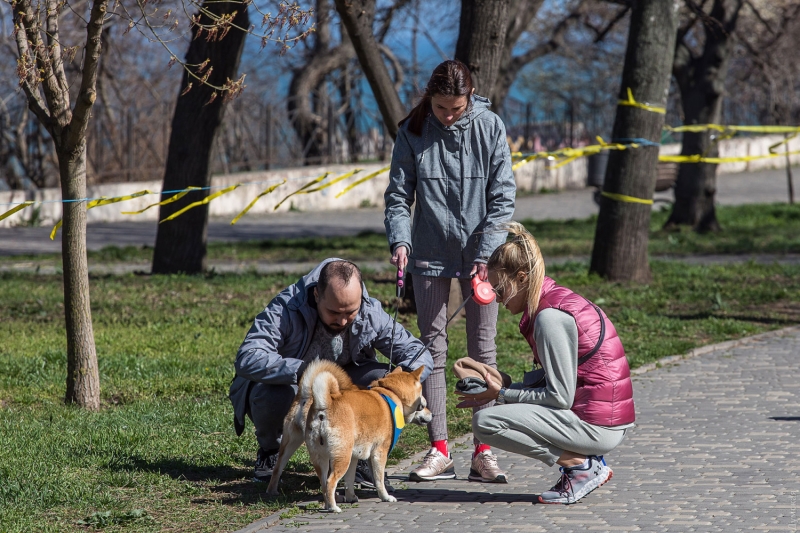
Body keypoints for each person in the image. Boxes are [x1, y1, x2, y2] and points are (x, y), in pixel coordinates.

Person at [384, 59, 516, 483]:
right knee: (431, 351)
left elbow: (503, 196)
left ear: (469, 97)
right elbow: (398, 195)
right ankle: (439, 449)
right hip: (427, 255)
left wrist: (488, 248)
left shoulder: (491, 126)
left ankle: (484, 451)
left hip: (483, 257)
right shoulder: (413, 130)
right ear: (430, 99)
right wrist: (400, 240)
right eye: (442, 108)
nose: (449, 115)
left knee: (483, 352)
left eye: (456, 108)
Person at [456, 222, 635, 504]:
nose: (497, 299)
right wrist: (507, 385)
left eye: (500, 289)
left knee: (486, 423)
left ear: (522, 278)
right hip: (605, 416)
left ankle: (580, 467)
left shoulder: (548, 317)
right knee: (496, 415)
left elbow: (559, 397)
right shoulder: (554, 300)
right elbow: (565, 379)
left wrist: (501, 395)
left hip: (599, 425)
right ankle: (582, 464)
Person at [229, 258, 433, 488]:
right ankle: (271, 450)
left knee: (378, 381)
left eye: (351, 312)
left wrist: (402, 383)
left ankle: (361, 458)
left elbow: (419, 354)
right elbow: (248, 356)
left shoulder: (370, 311)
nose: (343, 320)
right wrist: (300, 371)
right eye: (334, 312)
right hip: (299, 386)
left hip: (346, 389)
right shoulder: (286, 307)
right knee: (272, 393)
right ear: (316, 295)